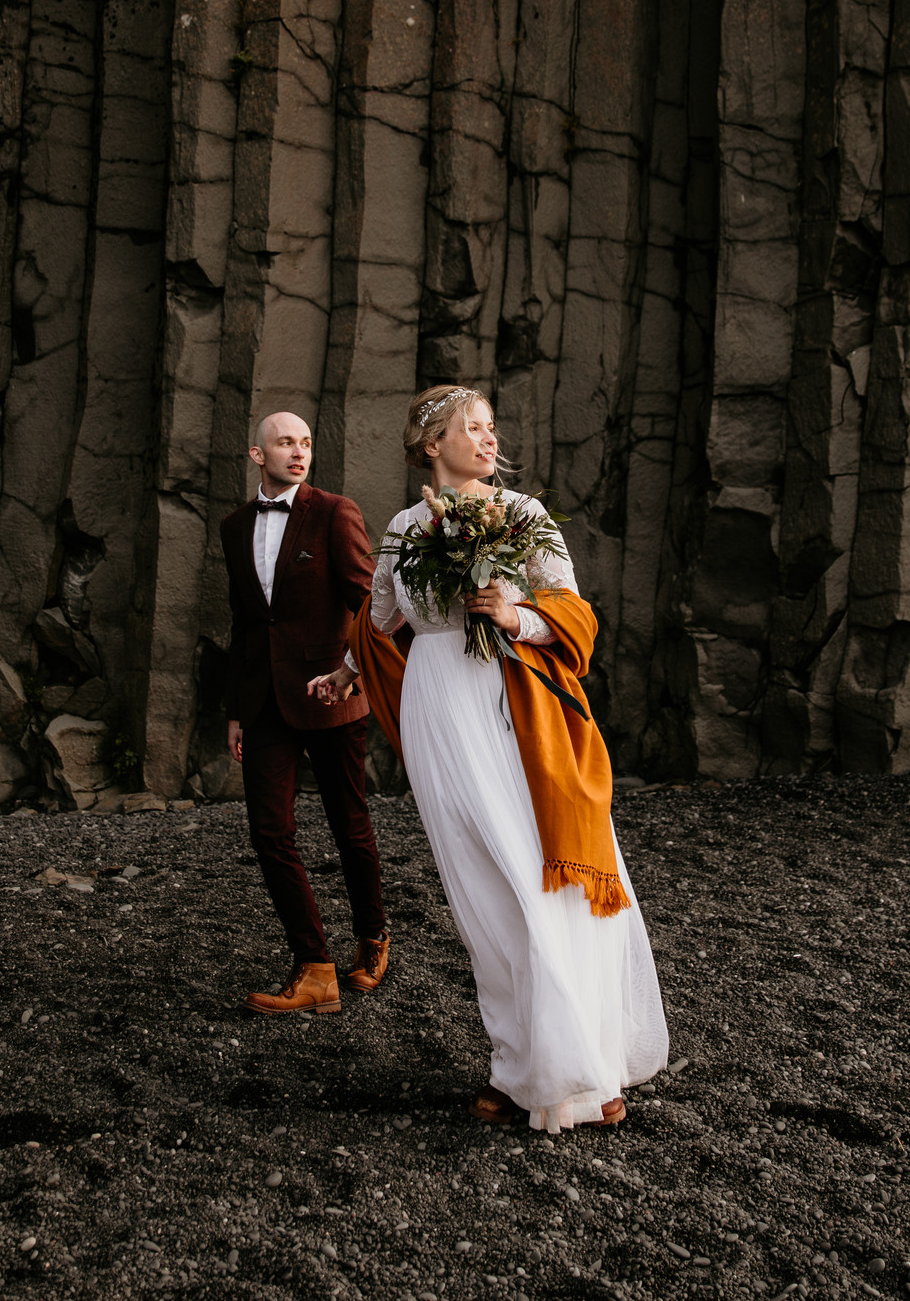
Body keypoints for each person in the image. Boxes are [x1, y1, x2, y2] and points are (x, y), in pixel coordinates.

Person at [311, 388, 669, 1130]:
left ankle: (587, 1066)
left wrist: (514, 614)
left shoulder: (524, 513)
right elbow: (380, 618)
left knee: (537, 880)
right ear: (431, 444)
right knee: (481, 895)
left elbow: (572, 608)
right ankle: (516, 1068)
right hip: (439, 715)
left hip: (514, 706)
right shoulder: (404, 527)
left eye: (490, 428)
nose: (487, 438)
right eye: (469, 427)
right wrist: (345, 672)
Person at [220, 411, 389, 1016]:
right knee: (269, 833)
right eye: (286, 443)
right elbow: (245, 623)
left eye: (307, 443)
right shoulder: (234, 526)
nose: (299, 452)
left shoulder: (335, 512)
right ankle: (315, 967)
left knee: (349, 822)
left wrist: (354, 673)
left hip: (333, 692)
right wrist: (237, 710)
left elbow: (366, 602)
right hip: (264, 699)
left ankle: (373, 938)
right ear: (257, 454)